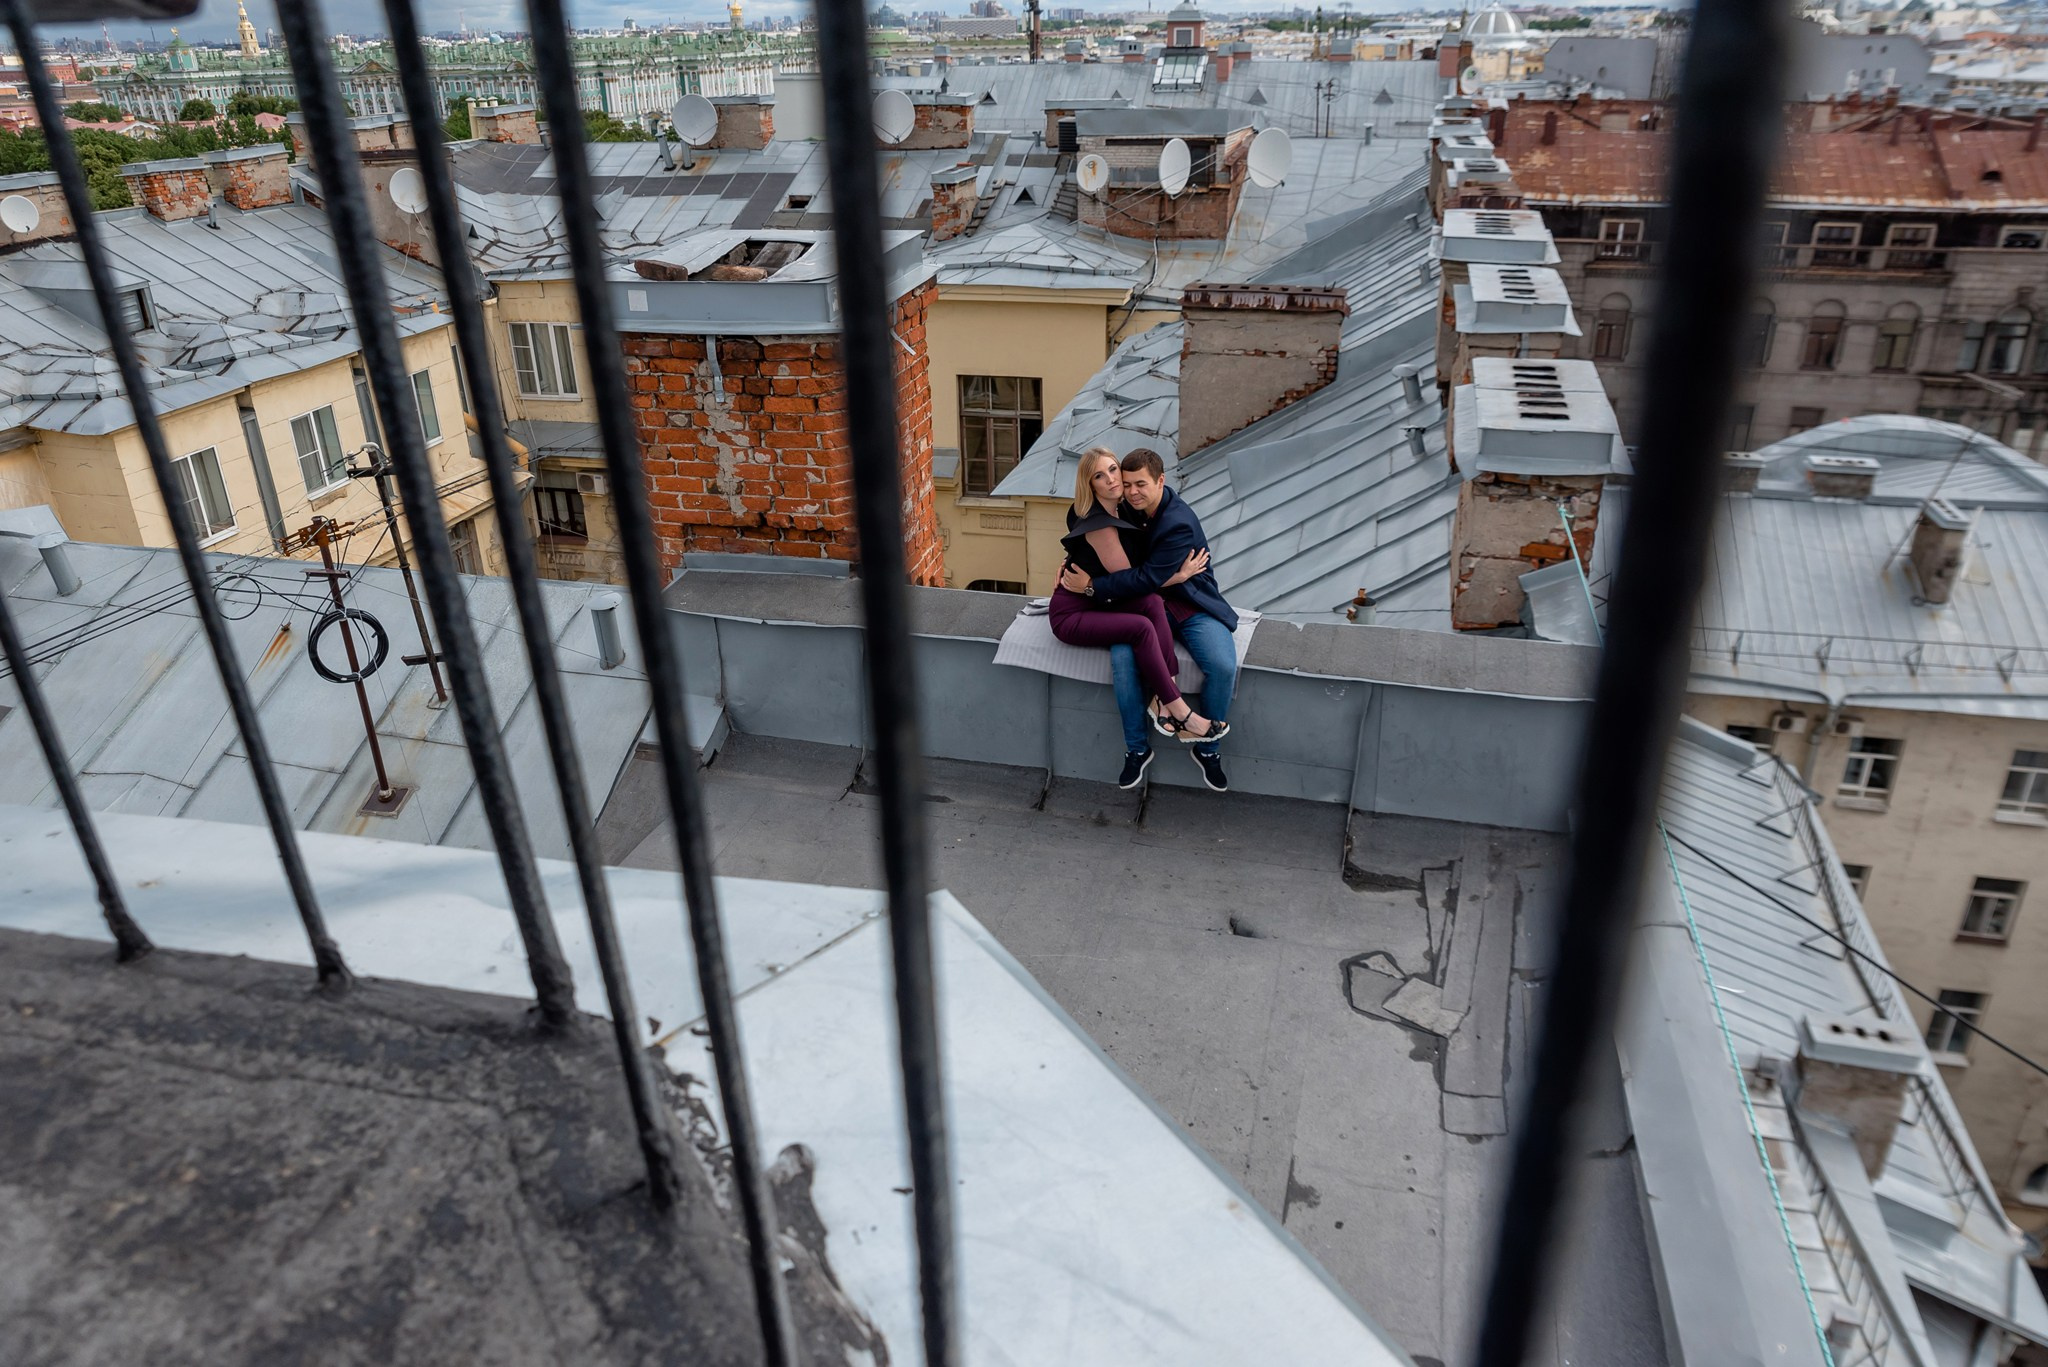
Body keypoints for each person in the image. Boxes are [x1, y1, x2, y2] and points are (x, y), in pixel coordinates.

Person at [1059, 448, 1239, 793]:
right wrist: (1070, 563)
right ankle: (1137, 748)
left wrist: (1092, 586)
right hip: (1142, 604)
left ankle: (1208, 748)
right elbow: (1095, 537)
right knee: (1123, 659)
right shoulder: (1124, 505)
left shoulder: (1177, 522)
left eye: (1139, 484)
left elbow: (1144, 579)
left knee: (1221, 664)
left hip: (1188, 603)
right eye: (1126, 484)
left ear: (1161, 481)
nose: (1131, 491)